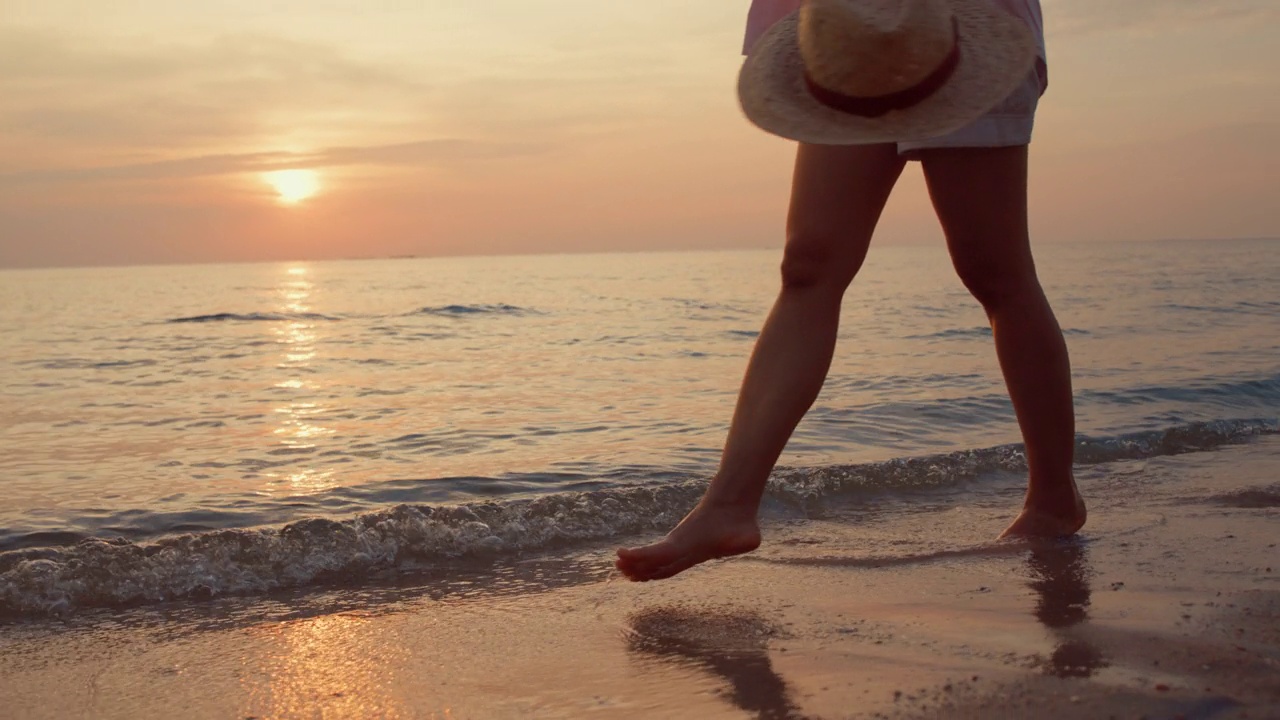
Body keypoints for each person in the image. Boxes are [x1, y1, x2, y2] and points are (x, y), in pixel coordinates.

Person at [616, 0, 1086, 582]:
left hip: (953, 26)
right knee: (808, 264)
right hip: (850, 35)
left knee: (995, 272)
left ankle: (1052, 497)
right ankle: (729, 506)